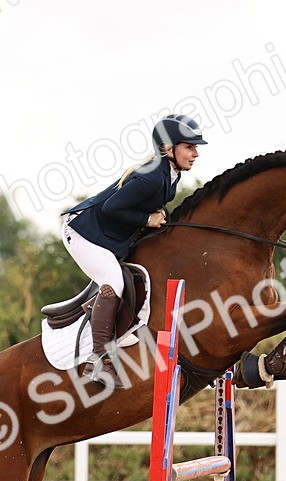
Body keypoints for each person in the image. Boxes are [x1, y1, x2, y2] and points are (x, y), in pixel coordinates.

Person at [61, 113, 206, 386]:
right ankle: (99, 360)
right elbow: (111, 207)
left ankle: (99, 312)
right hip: (82, 232)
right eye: (189, 147)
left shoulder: (171, 174)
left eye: (195, 147)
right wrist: (147, 219)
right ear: (167, 148)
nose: (195, 153)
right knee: (113, 280)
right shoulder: (151, 176)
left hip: (108, 235)